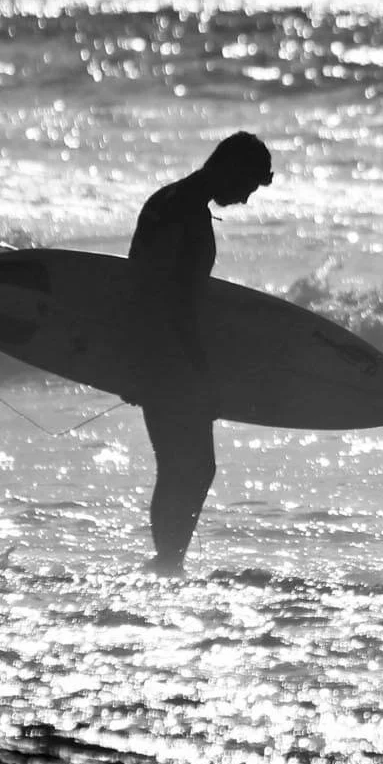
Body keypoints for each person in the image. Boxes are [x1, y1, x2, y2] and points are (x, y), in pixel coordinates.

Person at [129, 132, 275, 573]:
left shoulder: (173, 201)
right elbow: (172, 301)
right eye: (248, 185)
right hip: (167, 356)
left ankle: (168, 560)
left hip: (156, 352)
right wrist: (199, 371)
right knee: (188, 466)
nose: (247, 199)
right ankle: (168, 561)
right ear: (229, 169)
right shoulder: (182, 213)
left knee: (183, 466)